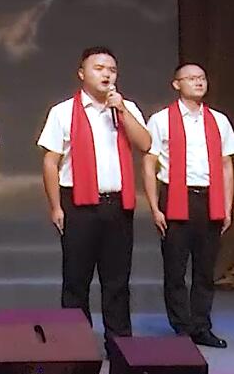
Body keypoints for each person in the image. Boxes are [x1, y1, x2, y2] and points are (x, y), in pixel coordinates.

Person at [38, 46, 151, 342]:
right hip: (78, 205)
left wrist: (122, 110)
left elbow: (145, 144)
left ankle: (120, 344)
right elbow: (50, 162)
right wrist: (55, 207)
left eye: (111, 70)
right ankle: (76, 344)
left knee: (117, 281)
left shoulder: (125, 107)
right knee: (77, 280)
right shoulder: (62, 111)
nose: (106, 74)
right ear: (82, 74)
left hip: (117, 205)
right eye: (99, 68)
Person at [142, 62, 234, 348]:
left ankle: (201, 326)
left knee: (205, 270)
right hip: (175, 198)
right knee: (175, 269)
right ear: (176, 84)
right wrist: (154, 207)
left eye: (202, 78)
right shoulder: (161, 120)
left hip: (210, 199)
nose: (198, 82)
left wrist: (227, 206)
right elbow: (149, 164)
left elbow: (226, 165)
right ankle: (181, 328)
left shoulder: (218, 120)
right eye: (191, 78)